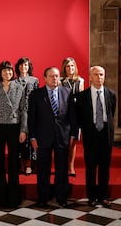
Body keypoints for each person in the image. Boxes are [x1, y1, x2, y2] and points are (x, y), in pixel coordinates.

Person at [28, 67, 78, 208]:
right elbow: (32, 118)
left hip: (63, 136)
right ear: (44, 78)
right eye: (51, 76)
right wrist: (32, 137)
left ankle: (61, 196)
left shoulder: (67, 92)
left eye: (56, 76)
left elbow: (72, 116)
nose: (54, 79)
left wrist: (73, 134)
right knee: (43, 168)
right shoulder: (36, 94)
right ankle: (43, 197)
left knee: (62, 168)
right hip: (42, 136)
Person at [0, 61, 27, 208]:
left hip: (14, 127)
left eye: (9, 71)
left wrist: (23, 130)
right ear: (0, 72)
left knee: (14, 161)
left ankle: (14, 197)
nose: (7, 73)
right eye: (4, 71)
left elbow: (23, 110)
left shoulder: (19, 87)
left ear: (12, 72)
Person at [76, 66, 116, 207]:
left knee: (105, 167)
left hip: (106, 134)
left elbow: (112, 113)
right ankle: (92, 197)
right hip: (91, 135)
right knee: (91, 168)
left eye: (101, 74)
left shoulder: (111, 94)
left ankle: (102, 197)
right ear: (90, 77)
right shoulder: (82, 96)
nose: (99, 77)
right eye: (96, 74)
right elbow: (79, 117)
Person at [14, 57, 39, 176]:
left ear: (29, 67)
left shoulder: (34, 80)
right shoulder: (14, 81)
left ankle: (29, 164)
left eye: (26, 65)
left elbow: (37, 96)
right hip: (17, 114)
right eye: (21, 65)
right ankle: (21, 164)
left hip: (31, 113)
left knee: (29, 140)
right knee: (19, 140)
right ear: (18, 67)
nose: (23, 67)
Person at [60, 57, 84, 177]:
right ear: (64, 68)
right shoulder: (60, 80)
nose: (70, 68)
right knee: (63, 142)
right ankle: (63, 166)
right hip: (63, 114)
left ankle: (71, 167)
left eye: (72, 66)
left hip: (75, 114)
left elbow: (81, 99)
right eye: (68, 66)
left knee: (73, 142)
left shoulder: (80, 81)